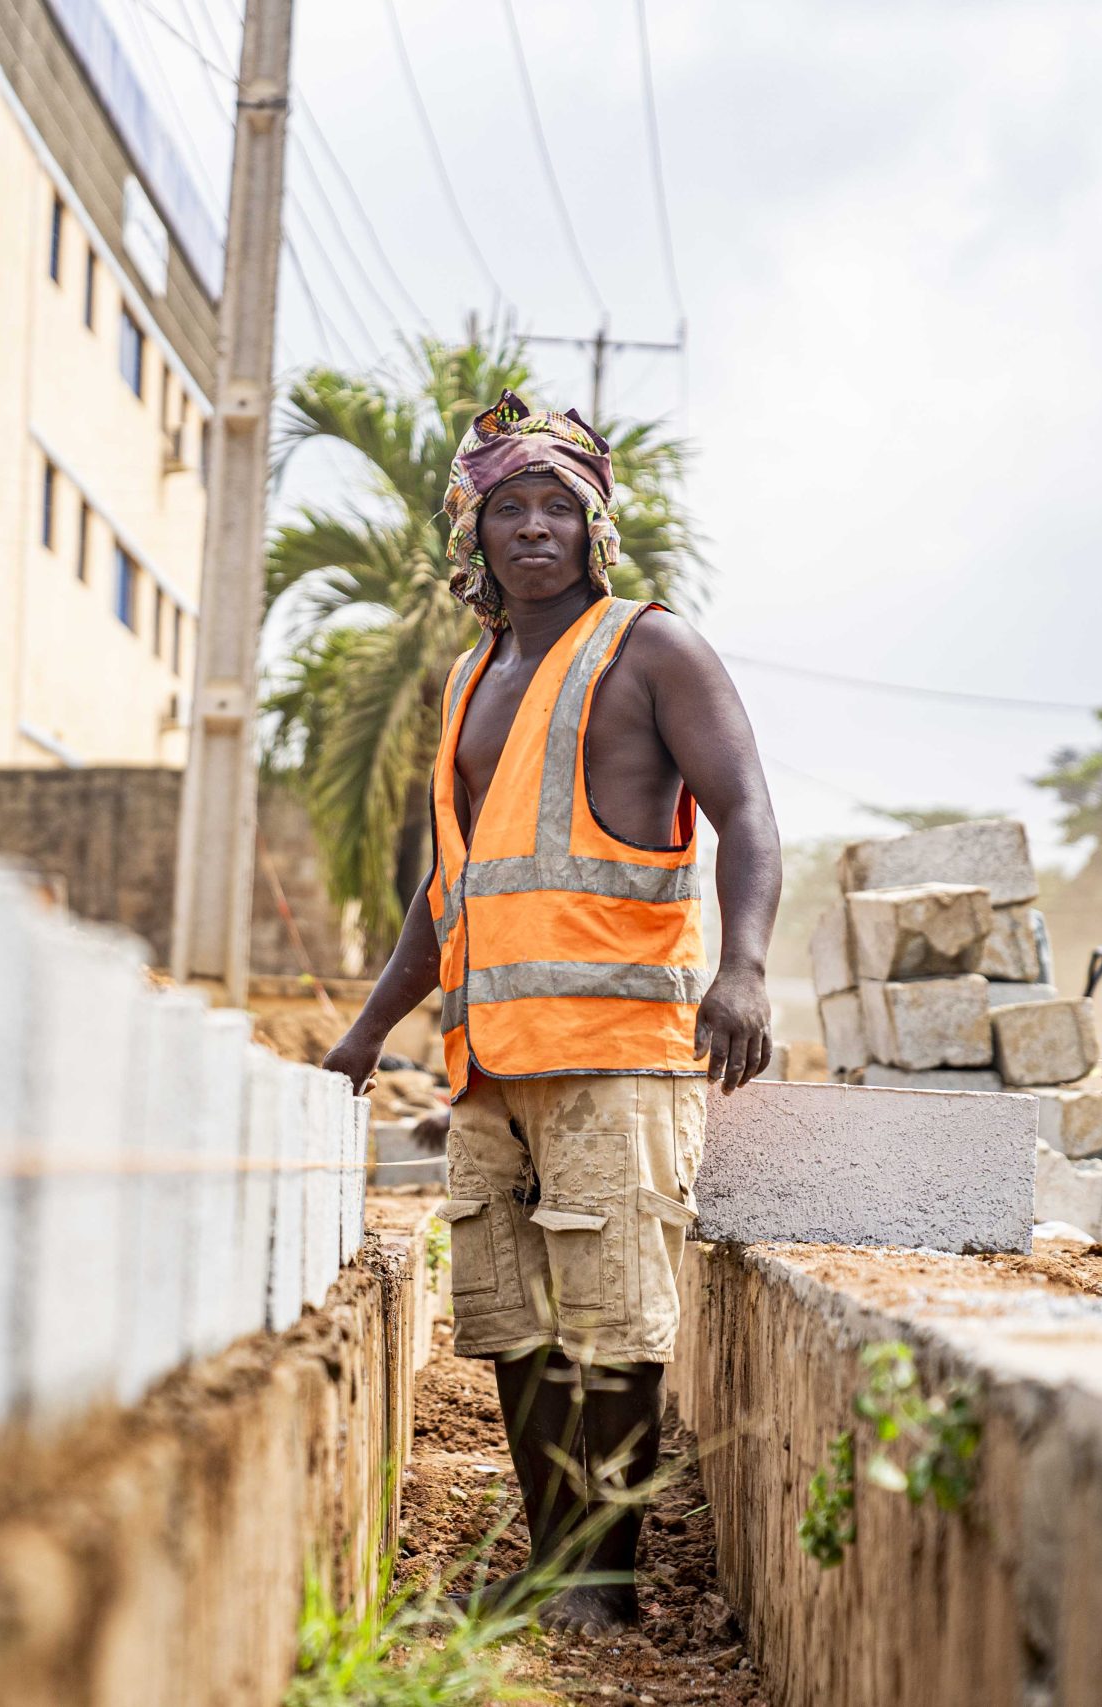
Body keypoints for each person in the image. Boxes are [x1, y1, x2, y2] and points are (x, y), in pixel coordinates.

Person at [321, 394, 779, 1634]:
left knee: (614, 1319)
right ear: (470, 531)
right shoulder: (476, 674)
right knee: (512, 1326)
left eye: (558, 508)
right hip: (487, 1062)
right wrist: (366, 1035)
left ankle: (607, 1578)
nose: (535, 528)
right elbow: (450, 885)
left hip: (617, 1055)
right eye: (508, 508)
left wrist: (741, 972)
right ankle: (552, 1559)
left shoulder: (650, 649)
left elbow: (748, 813)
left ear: (595, 526)